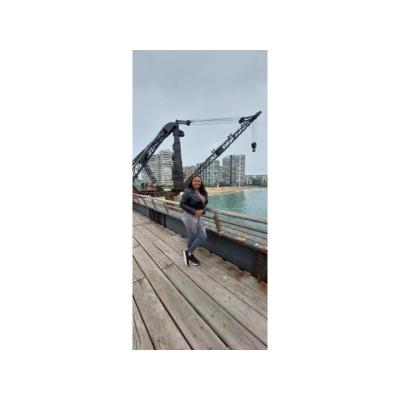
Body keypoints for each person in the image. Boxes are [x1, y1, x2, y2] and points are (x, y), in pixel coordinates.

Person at [179, 175, 208, 266]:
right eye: (195, 181)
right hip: (189, 216)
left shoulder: (203, 192)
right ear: (192, 182)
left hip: (198, 217)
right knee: (192, 235)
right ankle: (190, 255)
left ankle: (188, 252)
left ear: (201, 182)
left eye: (199, 181)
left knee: (202, 236)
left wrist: (203, 211)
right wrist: (194, 211)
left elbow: (205, 205)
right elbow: (182, 204)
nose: (197, 182)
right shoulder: (188, 191)